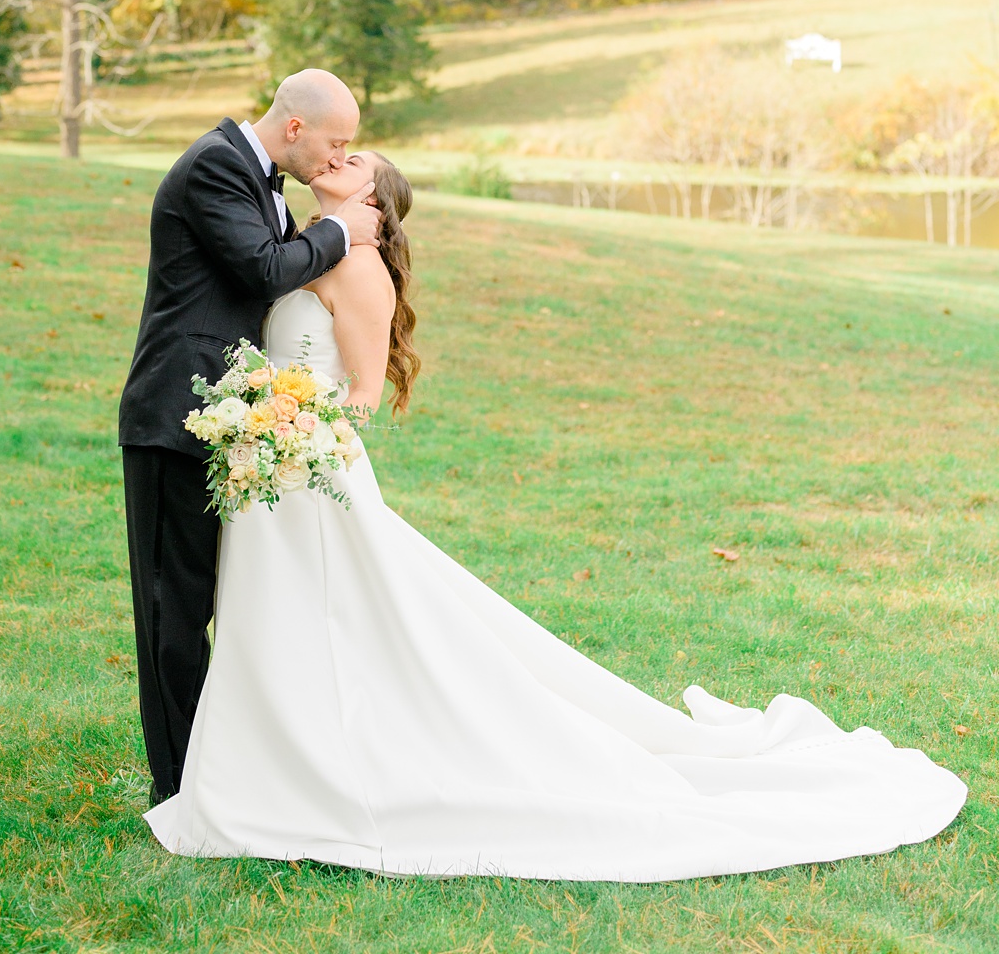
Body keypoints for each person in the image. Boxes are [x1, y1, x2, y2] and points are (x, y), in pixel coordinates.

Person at [145, 151, 968, 878]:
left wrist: (290, 421)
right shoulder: (305, 247)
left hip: (308, 470)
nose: (342, 155)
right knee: (275, 619)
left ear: (373, 200)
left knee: (337, 618)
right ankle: (271, 760)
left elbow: (359, 395)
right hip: (270, 469)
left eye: (357, 158)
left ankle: (326, 769)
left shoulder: (360, 269)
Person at [118, 70, 382, 807]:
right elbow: (264, 269)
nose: (336, 160)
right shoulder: (216, 166)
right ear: (295, 128)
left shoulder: (263, 182)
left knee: (209, 603)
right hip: (176, 415)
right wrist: (339, 232)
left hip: (223, 419)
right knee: (173, 612)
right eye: (335, 143)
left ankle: (218, 771)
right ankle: (178, 790)